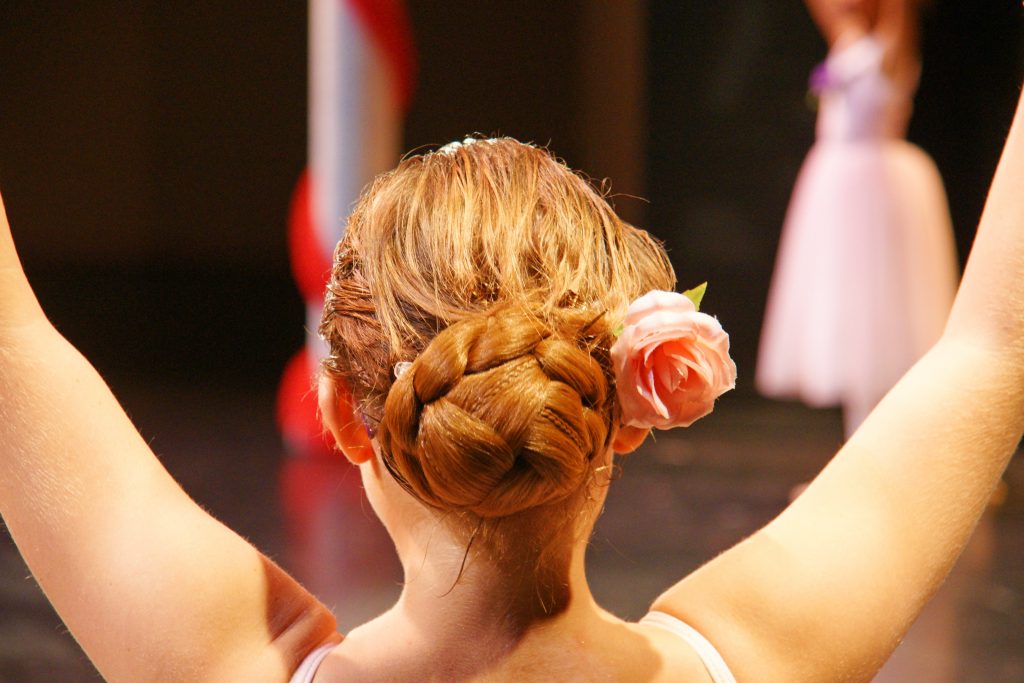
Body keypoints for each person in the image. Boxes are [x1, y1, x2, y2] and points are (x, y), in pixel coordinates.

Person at [1, 83, 1023, 683]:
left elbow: (11, 353)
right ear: (625, 409)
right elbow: (992, 347)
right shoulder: (747, 657)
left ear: (345, 420)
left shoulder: (238, 661)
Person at [756, 0, 959, 437]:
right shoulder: (845, 40)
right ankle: (857, 440)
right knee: (843, 311)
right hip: (838, 183)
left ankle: (883, 444)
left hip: (873, 188)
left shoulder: (890, 46)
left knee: (876, 315)